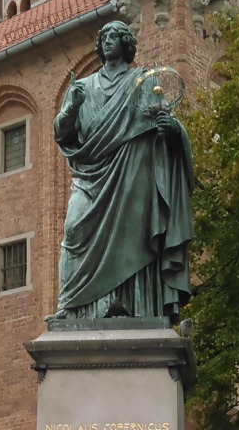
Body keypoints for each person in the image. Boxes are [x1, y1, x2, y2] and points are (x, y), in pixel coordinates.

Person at [51, 20, 193, 319]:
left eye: (115, 36)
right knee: (73, 230)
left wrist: (173, 130)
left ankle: (133, 305)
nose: (107, 40)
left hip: (132, 174)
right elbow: (63, 134)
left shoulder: (143, 82)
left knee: (134, 239)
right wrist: (72, 107)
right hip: (90, 176)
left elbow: (164, 130)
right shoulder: (83, 87)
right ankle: (70, 306)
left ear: (126, 44)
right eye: (104, 36)